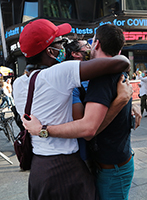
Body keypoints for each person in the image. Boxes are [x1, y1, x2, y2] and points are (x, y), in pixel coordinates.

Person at [13, 19, 130, 200]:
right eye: (60, 43)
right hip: (66, 167)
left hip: (39, 169)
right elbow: (120, 62)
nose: (63, 48)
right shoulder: (59, 73)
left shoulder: (18, 84)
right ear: (50, 51)